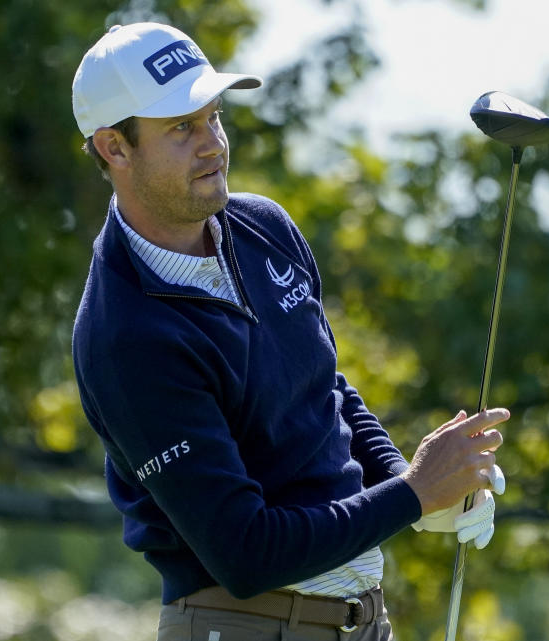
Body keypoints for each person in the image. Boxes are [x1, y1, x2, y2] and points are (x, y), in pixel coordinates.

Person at [70, 22, 510, 641]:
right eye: (181, 128)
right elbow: (246, 553)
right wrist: (412, 494)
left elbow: (323, 384)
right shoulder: (126, 337)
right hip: (242, 624)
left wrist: (410, 488)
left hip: (364, 622)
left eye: (213, 116)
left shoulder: (263, 227)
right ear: (115, 147)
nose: (214, 144)